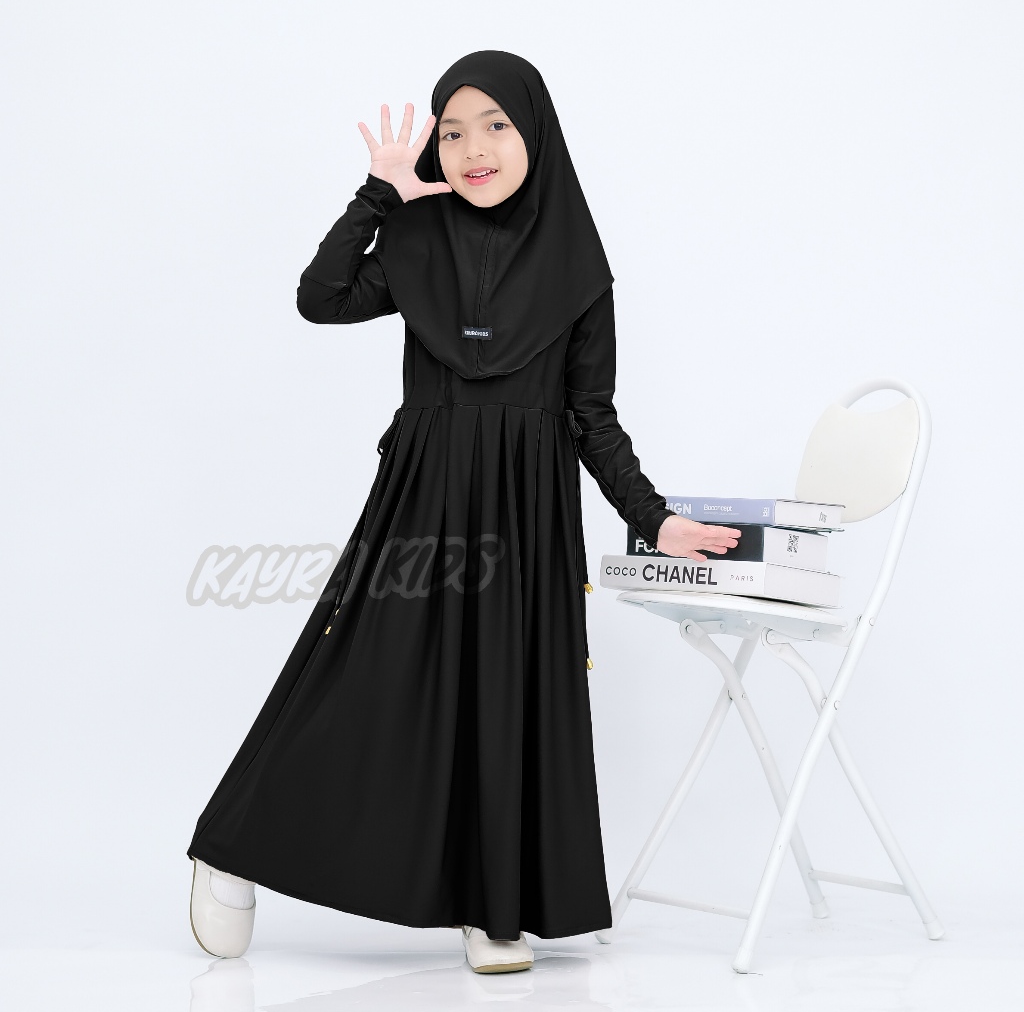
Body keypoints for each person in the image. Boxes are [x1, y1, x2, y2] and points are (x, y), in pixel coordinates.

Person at [186, 49, 740, 974]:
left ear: (536, 135)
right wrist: (379, 195)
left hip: (528, 514)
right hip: (423, 501)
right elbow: (321, 299)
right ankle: (229, 849)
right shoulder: (417, 238)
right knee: (361, 683)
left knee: (507, 699)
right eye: (452, 132)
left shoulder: (579, 269)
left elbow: (590, 416)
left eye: (495, 127)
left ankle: (494, 909)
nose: (473, 149)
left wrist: (654, 519)